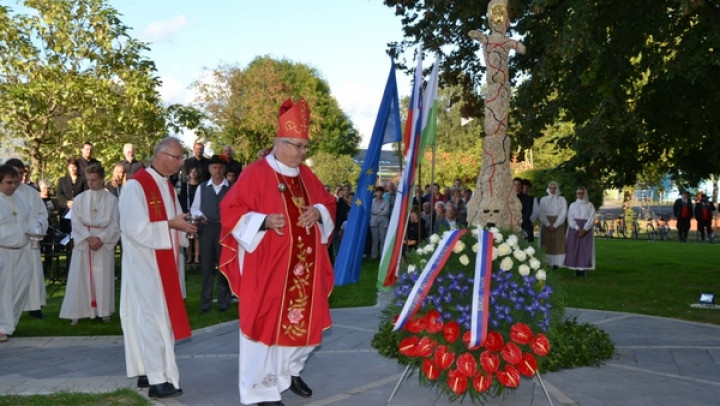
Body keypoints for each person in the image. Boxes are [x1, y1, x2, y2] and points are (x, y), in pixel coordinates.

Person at [219, 97, 336, 406]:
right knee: (263, 327)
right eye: (296, 145)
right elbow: (230, 211)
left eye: (304, 146)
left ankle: (288, 372)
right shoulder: (256, 173)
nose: (301, 152)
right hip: (268, 269)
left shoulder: (307, 176)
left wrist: (319, 212)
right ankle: (261, 391)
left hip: (304, 271)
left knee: (307, 325)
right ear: (279, 142)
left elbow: (329, 202)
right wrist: (263, 221)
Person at [119, 137, 196, 399]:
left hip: (164, 265)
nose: (181, 162)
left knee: (159, 320)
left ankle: (149, 371)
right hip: (145, 265)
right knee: (151, 321)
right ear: (161, 156)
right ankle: (157, 380)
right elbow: (134, 230)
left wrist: (186, 226)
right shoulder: (136, 187)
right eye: (177, 158)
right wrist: (173, 226)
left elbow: (173, 221)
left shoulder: (168, 187)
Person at [60, 165, 120, 325]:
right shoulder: (80, 199)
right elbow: (76, 222)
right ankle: (78, 312)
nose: (91, 183)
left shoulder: (112, 200)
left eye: (94, 180)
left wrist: (100, 238)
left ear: (102, 179)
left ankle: (103, 311)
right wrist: (88, 238)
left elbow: (115, 224)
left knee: (103, 276)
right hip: (85, 243)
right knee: (80, 276)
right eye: (89, 180)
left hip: (103, 242)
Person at [6, 159, 49, 320]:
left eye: (21, 173)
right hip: (9, 243)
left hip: (30, 241)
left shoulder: (30, 193)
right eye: (15, 173)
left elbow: (40, 214)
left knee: (32, 273)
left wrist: (37, 228)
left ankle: (34, 306)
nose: (19, 177)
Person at [190, 154, 232, 313]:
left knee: (223, 267)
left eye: (220, 167)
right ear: (209, 169)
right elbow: (194, 207)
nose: (217, 170)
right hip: (207, 230)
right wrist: (200, 216)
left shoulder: (232, 187)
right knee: (206, 268)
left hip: (224, 231)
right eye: (214, 167)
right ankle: (205, 304)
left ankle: (224, 302)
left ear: (224, 169)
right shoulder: (202, 187)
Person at [0, 165, 33, 342]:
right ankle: (1, 327)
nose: (13, 186)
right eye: (8, 183)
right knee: (3, 291)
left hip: (22, 250)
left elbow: (29, 218)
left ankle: (8, 324)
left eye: (15, 182)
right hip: (3, 251)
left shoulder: (20, 197)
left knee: (21, 287)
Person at [563, 187, 595, 277]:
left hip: (587, 229)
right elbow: (570, 218)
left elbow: (591, 218)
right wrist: (578, 228)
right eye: (579, 193)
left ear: (585, 194)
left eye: (582, 193)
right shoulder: (572, 205)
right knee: (574, 248)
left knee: (585, 249)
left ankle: (583, 269)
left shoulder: (590, 205)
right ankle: (576, 269)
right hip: (574, 229)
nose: (580, 195)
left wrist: (585, 229)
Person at [538, 181, 567, 268]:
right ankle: (546, 263)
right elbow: (541, 213)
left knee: (557, 243)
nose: (552, 190)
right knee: (546, 243)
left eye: (554, 188)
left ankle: (556, 264)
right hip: (546, 223)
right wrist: (547, 224)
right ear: (548, 189)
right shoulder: (543, 199)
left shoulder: (562, 199)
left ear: (557, 189)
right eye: (551, 188)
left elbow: (564, 212)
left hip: (558, 223)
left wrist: (555, 225)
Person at [56, 157, 88, 235]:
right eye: (70, 167)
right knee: (65, 233)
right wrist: (67, 202)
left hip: (79, 210)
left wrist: (76, 202)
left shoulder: (84, 180)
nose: (72, 169)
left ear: (77, 167)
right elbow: (59, 194)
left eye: (74, 167)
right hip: (65, 210)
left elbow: (86, 193)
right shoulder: (62, 180)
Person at [178, 167, 201, 264]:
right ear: (189, 174)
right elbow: (182, 198)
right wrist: (184, 211)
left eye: (195, 172)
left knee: (196, 236)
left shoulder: (201, 185)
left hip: (198, 212)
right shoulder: (185, 185)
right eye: (192, 172)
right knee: (188, 236)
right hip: (187, 212)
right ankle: (188, 257)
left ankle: (196, 257)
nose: (194, 173)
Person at [369, 185, 390, 259]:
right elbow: (371, 211)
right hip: (374, 222)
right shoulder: (372, 201)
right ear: (376, 193)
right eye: (378, 192)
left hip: (383, 222)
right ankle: (374, 255)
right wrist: (381, 210)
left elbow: (386, 211)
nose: (379, 194)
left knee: (382, 239)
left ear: (383, 193)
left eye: (381, 192)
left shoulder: (386, 201)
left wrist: (377, 212)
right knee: (375, 239)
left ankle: (382, 255)